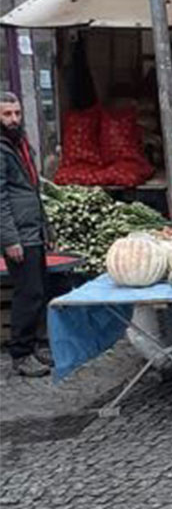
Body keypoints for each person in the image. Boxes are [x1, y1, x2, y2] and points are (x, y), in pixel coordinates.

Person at [1, 92, 52, 377]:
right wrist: (10, 239)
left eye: (17, 113)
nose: (14, 119)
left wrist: (46, 227)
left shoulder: (21, 146)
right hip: (19, 234)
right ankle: (20, 354)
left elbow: (33, 191)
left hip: (33, 230)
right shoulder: (2, 149)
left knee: (39, 291)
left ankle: (33, 347)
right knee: (28, 293)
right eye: (7, 114)